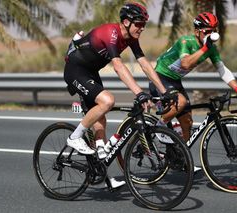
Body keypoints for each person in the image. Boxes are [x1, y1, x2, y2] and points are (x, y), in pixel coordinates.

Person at [64, 2, 177, 189]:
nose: (142, 28)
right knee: (107, 100)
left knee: (100, 118)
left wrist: (165, 91)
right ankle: (74, 137)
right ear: (126, 22)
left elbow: (145, 65)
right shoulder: (112, 33)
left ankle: (102, 173)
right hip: (76, 70)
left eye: (144, 25)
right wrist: (139, 93)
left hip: (91, 73)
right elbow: (118, 65)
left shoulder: (131, 38)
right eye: (139, 24)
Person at [149, 12, 237, 172]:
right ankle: (157, 127)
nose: (210, 35)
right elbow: (185, 64)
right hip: (159, 78)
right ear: (197, 31)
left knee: (188, 122)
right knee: (181, 102)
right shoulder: (186, 41)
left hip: (175, 82)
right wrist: (205, 47)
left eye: (213, 31)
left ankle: (179, 157)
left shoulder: (210, 48)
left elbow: (222, 70)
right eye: (206, 31)